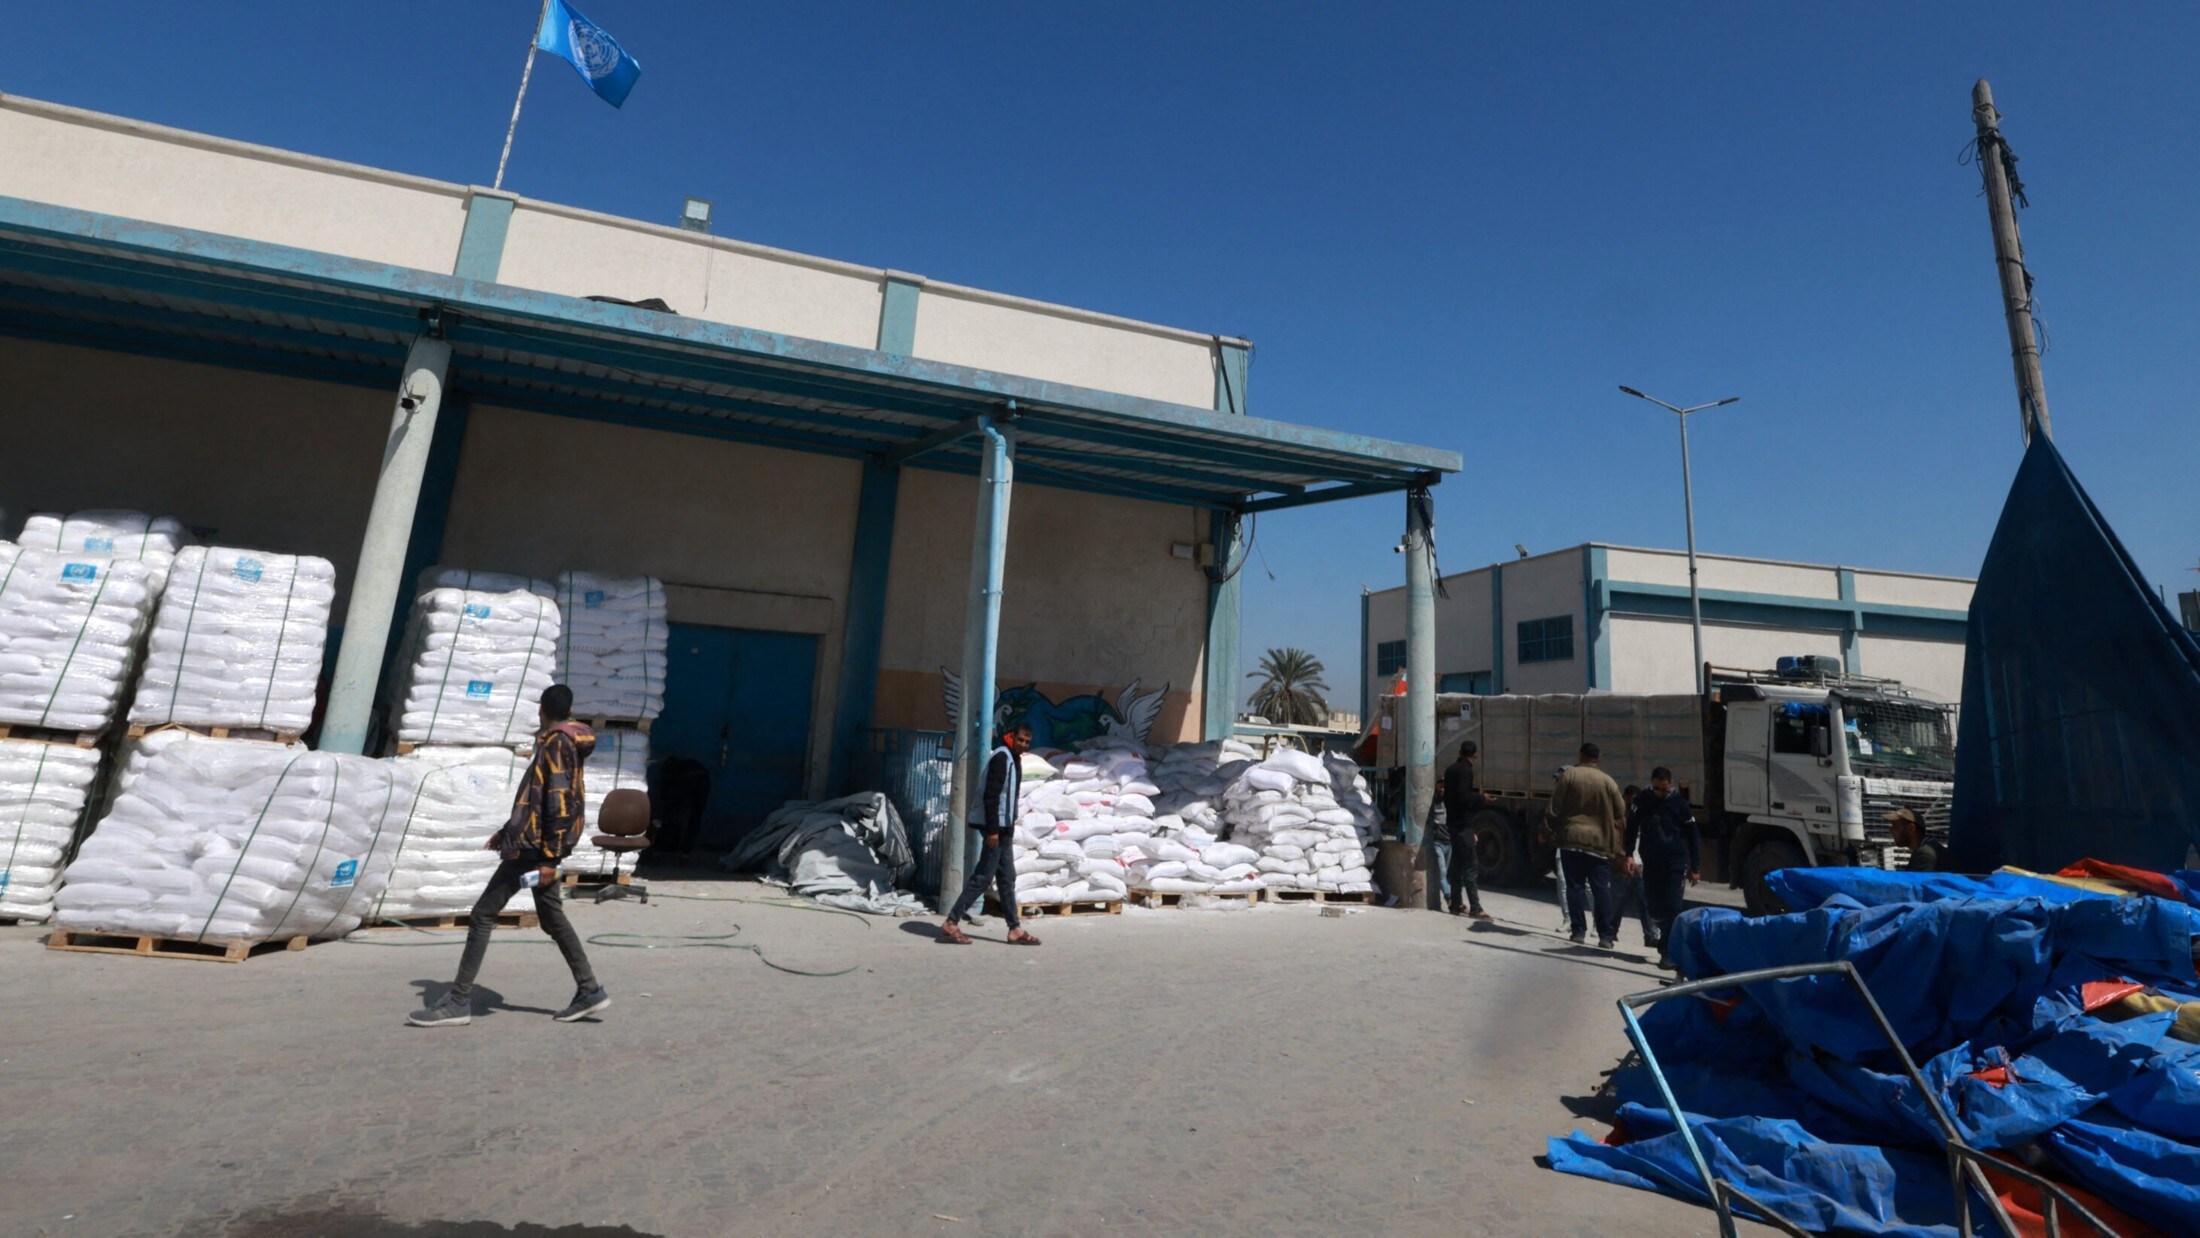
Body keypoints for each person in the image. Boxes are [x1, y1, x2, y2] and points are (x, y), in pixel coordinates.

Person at [410, 685, 609, 1027]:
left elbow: (559, 802)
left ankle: (458, 1002)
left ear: (541, 710)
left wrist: (549, 859)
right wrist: (507, 830)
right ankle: (589, 989)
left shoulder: (558, 743)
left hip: (535, 849)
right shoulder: (560, 741)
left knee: (483, 913)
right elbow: (535, 796)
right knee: (552, 919)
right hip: (533, 843)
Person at [938, 723, 1042, 946]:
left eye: (1027, 742)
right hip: (996, 829)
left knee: (1007, 877)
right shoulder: (1001, 758)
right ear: (1011, 736)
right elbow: (991, 796)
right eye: (1021, 739)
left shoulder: (1014, 758)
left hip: (1004, 830)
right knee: (983, 876)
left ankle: (1014, 928)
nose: (1023, 744)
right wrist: (993, 830)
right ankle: (952, 921)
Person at [1548, 742, 1627, 949]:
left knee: (1574, 887)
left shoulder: (1570, 776)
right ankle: (1606, 936)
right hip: (1600, 844)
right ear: (1598, 759)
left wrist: (1547, 831)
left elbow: (1554, 808)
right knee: (1601, 889)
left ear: (1581, 755)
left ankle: (1578, 932)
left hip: (1572, 840)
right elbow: (1620, 811)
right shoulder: (1608, 781)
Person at [1626, 768, 1701, 969]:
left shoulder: (1679, 804)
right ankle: (1664, 939)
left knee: (1673, 907)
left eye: (1664, 789)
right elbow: (1631, 828)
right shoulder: (1642, 800)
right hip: (1651, 860)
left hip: (1675, 862)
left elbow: (1693, 835)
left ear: (1670, 784)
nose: (1660, 793)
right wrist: (1628, 855)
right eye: (1657, 789)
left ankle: (1668, 951)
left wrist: (1695, 866)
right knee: (1654, 906)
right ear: (1652, 783)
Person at [1440, 741, 1492, 919]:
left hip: (1453, 822)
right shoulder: (1466, 770)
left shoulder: (1450, 770)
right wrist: (1481, 798)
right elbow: (1464, 797)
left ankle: (1456, 903)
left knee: (1456, 864)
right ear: (1475, 756)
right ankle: (1475, 907)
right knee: (1470, 865)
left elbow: (1450, 797)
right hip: (1463, 825)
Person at [1887, 808, 1941, 872]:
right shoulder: (1924, 848)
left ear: (1911, 828)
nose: (1890, 831)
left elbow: (1923, 881)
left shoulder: (1925, 855)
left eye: (1895, 826)